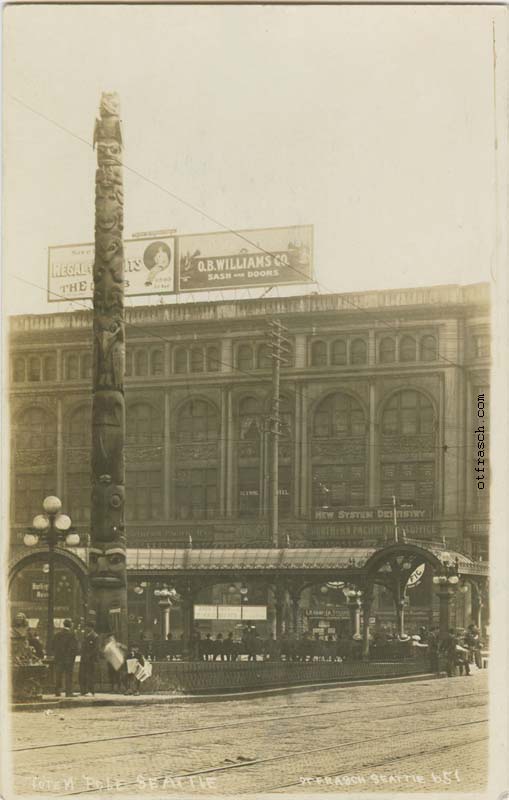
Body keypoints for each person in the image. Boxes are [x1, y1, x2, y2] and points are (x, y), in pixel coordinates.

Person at [53, 619, 79, 697]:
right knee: (69, 675)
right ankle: (68, 692)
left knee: (59, 675)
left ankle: (57, 691)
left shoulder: (57, 634)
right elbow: (74, 647)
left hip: (59, 658)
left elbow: (53, 646)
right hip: (68, 659)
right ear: (70, 625)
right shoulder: (72, 634)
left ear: (64, 625)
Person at [79, 623, 99, 695]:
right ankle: (84, 690)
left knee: (90, 674)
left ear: (91, 627)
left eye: (87, 627)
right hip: (85, 658)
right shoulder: (86, 636)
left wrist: (89, 656)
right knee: (84, 674)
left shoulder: (95, 636)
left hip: (91, 659)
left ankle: (91, 690)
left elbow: (96, 649)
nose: (86, 628)